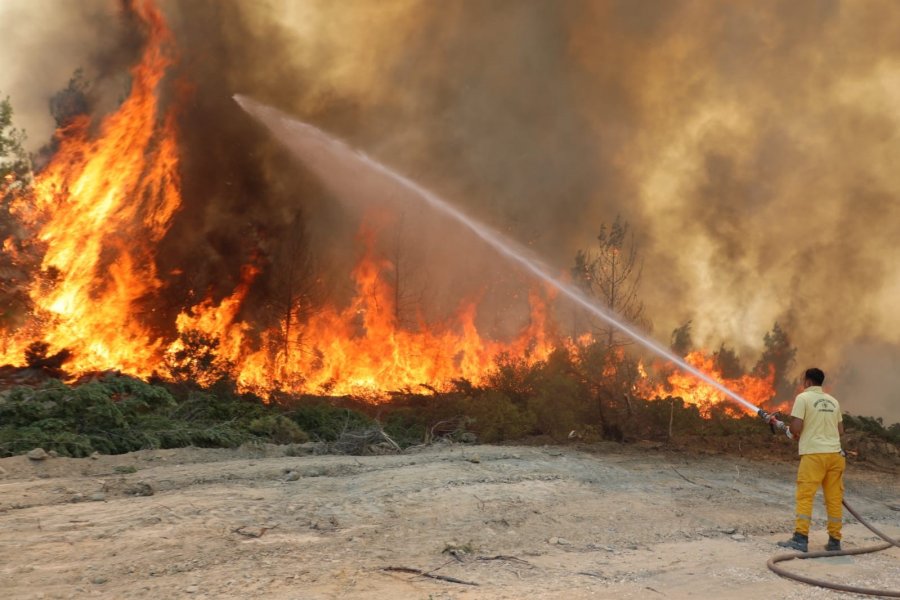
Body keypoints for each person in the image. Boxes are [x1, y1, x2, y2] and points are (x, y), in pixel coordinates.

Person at [777, 367, 845, 553]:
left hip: (814, 455)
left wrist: (791, 431)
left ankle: (800, 539)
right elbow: (840, 431)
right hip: (835, 456)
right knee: (834, 499)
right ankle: (834, 541)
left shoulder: (803, 398)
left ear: (807, 381)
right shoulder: (833, 401)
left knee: (805, 496)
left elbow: (797, 427)